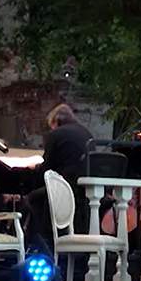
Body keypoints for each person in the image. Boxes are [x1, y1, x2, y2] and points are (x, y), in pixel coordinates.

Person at [26, 104, 93, 251]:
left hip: (64, 187)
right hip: (84, 189)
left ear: (56, 121)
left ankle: (40, 243)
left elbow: (46, 168)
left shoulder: (56, 134)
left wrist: (34, 172)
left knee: (32, 198)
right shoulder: (86, 133)